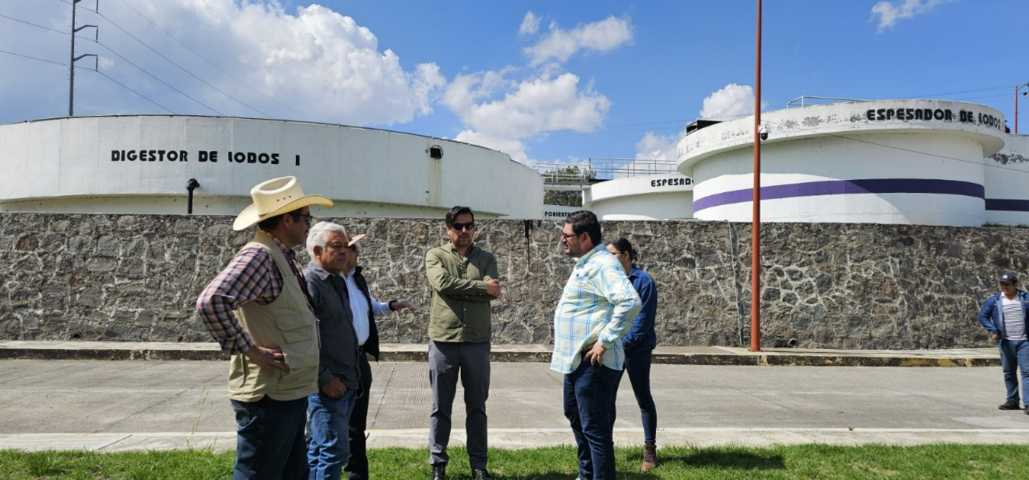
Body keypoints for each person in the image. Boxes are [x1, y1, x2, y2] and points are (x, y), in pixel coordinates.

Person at [196, 176, 331, 480]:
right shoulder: (260, 255)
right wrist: (251, 351)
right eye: (306, 218)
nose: (309, 225)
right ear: (287, 220)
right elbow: (210, 301)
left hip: (286, 390)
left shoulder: (279, 255)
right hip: (269, 396)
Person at [552, 211, 641, 480]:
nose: (562, 240)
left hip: (595, 362)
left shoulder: (603, 264)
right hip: (578, 361)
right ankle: (587, 474)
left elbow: (630, 302)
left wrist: (604, 341)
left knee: (595, 429)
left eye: (566, 236)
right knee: (575, 415)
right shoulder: (586, 262)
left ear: (585, 238)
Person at [424, 206, 500, 480]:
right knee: (440, 406)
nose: (465, 230)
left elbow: (494, 290)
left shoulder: (486, 258)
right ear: (448, 229)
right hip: (444, 340)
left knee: (477, 406)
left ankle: (478, 465)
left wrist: (472, 289)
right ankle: (438, 463)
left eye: (469, 225)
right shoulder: (435, 255)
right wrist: (480, 288)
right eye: (458, 226)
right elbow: (442, 283)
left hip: (476, 342)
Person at [340, 226, 414, 480]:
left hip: (359, 359)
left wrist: (390, 306)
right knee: (332, 425)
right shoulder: (329, 282)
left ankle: (357, 474)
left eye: (355, 249)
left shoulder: (356, 279)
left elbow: (368, 306)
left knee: (356, 425)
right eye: (352, 248)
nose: (356, 253)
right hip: (339, 361)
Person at [302, 222, 363, 480]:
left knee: (321, 449)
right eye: (337, 247)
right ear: (317, 251)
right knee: (333, 450)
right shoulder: (310, 283)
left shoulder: (336, 280)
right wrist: (324, 377)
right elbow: (303, 339)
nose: (344, 252)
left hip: (346, 380)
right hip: (328, 385)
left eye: (346, 246)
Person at [606, 238, 659, 472]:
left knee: (643, 398)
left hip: (637, 351)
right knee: (607, 399)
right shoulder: (610, 280)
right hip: (613, 348)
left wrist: (616, 343)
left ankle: (650, 450)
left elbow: (642, 324)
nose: (608, 259)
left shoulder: (644, 281)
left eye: (612, 254)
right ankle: (605, 448)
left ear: (626, 255)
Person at [977, 272, 1029, 413]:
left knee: (1027, 372)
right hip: (1005, 342)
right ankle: (1012, 401)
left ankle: (1028, 403)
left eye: (1007, 284)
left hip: (1024, 342)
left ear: (1015, 285)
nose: (1004, 287)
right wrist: (993, 330)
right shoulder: (995, 300)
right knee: (1009, 373)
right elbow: (982, 316)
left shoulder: (1025, 298)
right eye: (1002, 284)